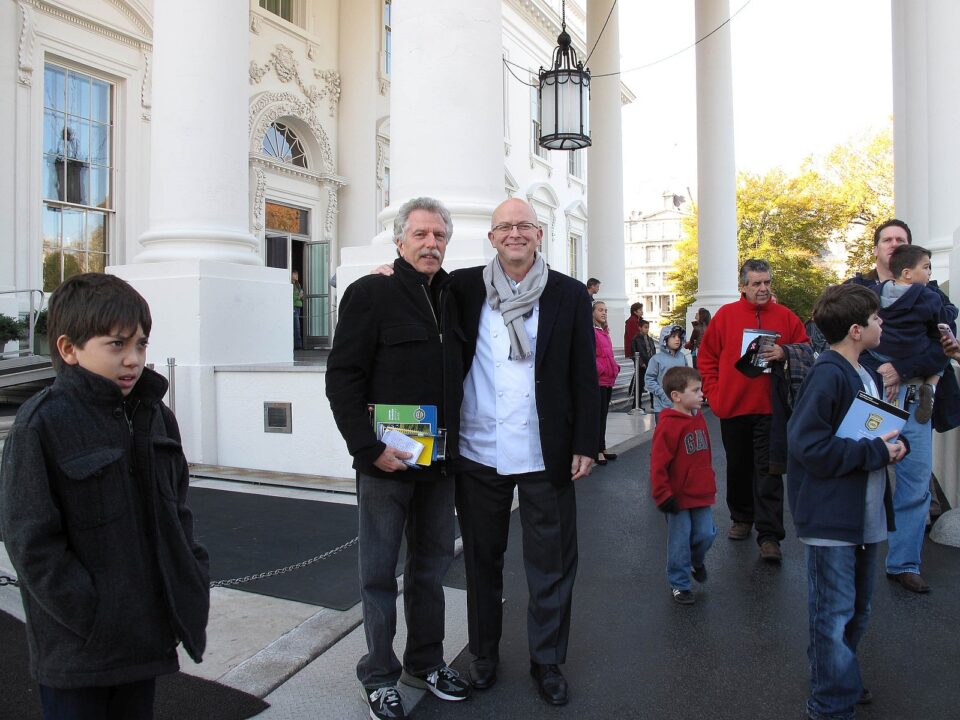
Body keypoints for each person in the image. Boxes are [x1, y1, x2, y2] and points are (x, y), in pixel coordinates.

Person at [0, 273, 210, 720]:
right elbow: (30, 543)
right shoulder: (40, 425)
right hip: (78, 652)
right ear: (68, 348)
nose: (132, 359)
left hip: (145, 638)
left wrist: (190, 572)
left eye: (140, 344)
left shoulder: (157, 417)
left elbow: (178, 510)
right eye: (116, 345)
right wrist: (94, 614)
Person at [325, 197, 470, 720]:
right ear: (399, 241)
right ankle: (379, 674)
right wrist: (366, 449)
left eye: (439, 236)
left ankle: (425, 661)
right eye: (421, 235)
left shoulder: (458, 295)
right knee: (380, 574)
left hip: (440, 464)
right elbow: (342, 377)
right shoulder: (371, 293)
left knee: (432, 569)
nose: (431, 243)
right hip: (386, 463)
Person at [452, 197, 598, 707]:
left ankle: (547, 660)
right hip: (478, 451)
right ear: (492, 238)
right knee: (482, 563)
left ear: (540, 235)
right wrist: (385, 272)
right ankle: (484, 656)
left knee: (552, 563)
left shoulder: (569, 293)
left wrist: (587, 443)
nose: (515, 234)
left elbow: (584, 370)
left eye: (525, 226)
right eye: (505, 227)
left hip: (545, 452)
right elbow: (412, 292)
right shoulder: (463, 287)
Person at [787, 283, 907, 720]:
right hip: (832, 518)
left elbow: (867, 432)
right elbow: (807, 446)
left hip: (863, 514)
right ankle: (829, 704)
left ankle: (840, 679)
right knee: (833, 614)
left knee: (856, 610)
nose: (882, 323)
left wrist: (891, 446)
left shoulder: (864, 373)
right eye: (876, 319)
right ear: (856, 330)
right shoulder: (829, 373)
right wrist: (876, 452)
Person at [846, 219, 960, 592]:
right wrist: (883, 371)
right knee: (861, 477)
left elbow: (943, 348)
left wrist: (903, 368)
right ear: (877, 249)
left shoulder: (930, 295)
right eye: (887, 239)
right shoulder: (858, 292)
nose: (894, 243)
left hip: (914, 401)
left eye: (901, 239)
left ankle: (904, 562)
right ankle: (850, 557)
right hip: (871, 399)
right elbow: (842, 344)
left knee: (914, 486)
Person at [697, 259, 809, 563]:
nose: (763, 289)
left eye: (767, 282)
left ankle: (770, 535)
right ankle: (741, 517)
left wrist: (784, 351)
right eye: (756, 283)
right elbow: (706, 358)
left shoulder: (785, 317)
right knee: (738, 466)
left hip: (771, 408)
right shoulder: (725, 317)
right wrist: (715, 393)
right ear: (743, 286)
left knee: (769, 470)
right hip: (733, 406)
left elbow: (808, 348)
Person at [649, 366, 717, 605]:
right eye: (696, 390)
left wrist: (709, 480)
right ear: (676, 396)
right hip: (676, 497)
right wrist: (662, 494)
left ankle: (696, 562)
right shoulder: (668, 425)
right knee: (679, 541)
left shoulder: (699, 418)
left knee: (706, 534)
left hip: (700, 492)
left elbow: (704, 455)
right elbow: (658, 463)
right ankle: (680, 583)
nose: (701, 394)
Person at [868, 244, 957, 423]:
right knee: (944, 351)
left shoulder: (874, 294)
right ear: (907, 273)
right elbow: (941, 322)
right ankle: (930, 388)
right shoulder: (929, 295)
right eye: (926, 267)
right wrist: (952, 310)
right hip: (913, 353)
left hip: (880, 354)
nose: (930, 272)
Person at [593, 301, 620, 465]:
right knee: (597, 417)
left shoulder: (604, 331)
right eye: (600, 310)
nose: (604, 313)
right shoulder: (591, 331)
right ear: (593, 312)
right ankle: (595, 450)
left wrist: (614, 368)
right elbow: (590, 354)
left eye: (605, 311)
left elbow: (609, 354)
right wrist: (601, 369)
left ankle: (602, 447)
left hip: (608, 380)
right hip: (599, 380)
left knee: (603, 417)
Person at [644, 324, 688, 424]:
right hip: (662, 408)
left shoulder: (682, 357)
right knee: (664, 436)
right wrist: (663, 394)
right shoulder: (656, 359)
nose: (677, 339)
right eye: (673, 337)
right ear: (665, 339)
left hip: (680, 406)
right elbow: (649, 380)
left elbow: (687, 378)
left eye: (679, 337)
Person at [629, 319, 657, 412]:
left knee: (653, 384)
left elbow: (653, 351)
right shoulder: (636, 339)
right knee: (639, 386)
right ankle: (636, 405)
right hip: (641, 366)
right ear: (640, 328)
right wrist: (641, 363)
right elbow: (635, 352)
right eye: (645, 327)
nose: (647, 329)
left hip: (650, 364)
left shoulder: (650, 339)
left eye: (648, 327)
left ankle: (654, 404)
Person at [292, 270, 305, 350]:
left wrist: (301, 297)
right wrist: (299, 297)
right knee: (296, 326)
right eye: (295, 274)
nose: (297, 275)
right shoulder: (291, 285)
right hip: (294, 307)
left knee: (297, 326)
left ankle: (298, 344)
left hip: (298, 306)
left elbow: (300, 296)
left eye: (297, 274)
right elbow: (291, 297)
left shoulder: (298, 284)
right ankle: (297, 345)